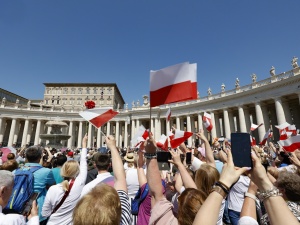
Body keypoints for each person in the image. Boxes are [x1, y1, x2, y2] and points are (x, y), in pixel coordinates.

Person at [73, 135, 132, 225]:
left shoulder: (87, 188)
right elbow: (120, 179)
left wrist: (84, 145)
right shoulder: (122, 220)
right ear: (109, 165)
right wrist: (112, 147)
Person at [41, 134, 88, 225]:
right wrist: (84, 144)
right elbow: (83, 162)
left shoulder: (53, 189)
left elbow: (44, 214)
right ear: (77, 172)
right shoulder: (79, 184)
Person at [23, 146, 56, 224]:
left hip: (18, 206)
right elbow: (53, 185)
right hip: (38, 206)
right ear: (40, 158)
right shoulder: (46, 171)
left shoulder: (17, 170)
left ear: (26, 157)